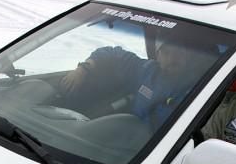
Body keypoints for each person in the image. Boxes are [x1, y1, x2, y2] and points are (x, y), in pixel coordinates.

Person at [60, 35, 214, 130]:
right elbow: (112, 52)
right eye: (166, 52)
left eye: (179, 52)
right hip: (131, 140)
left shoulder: (200, 86)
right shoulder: (145, 70)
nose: (173, 58)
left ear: (187, 57)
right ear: (157, 55)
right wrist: (83, 69)